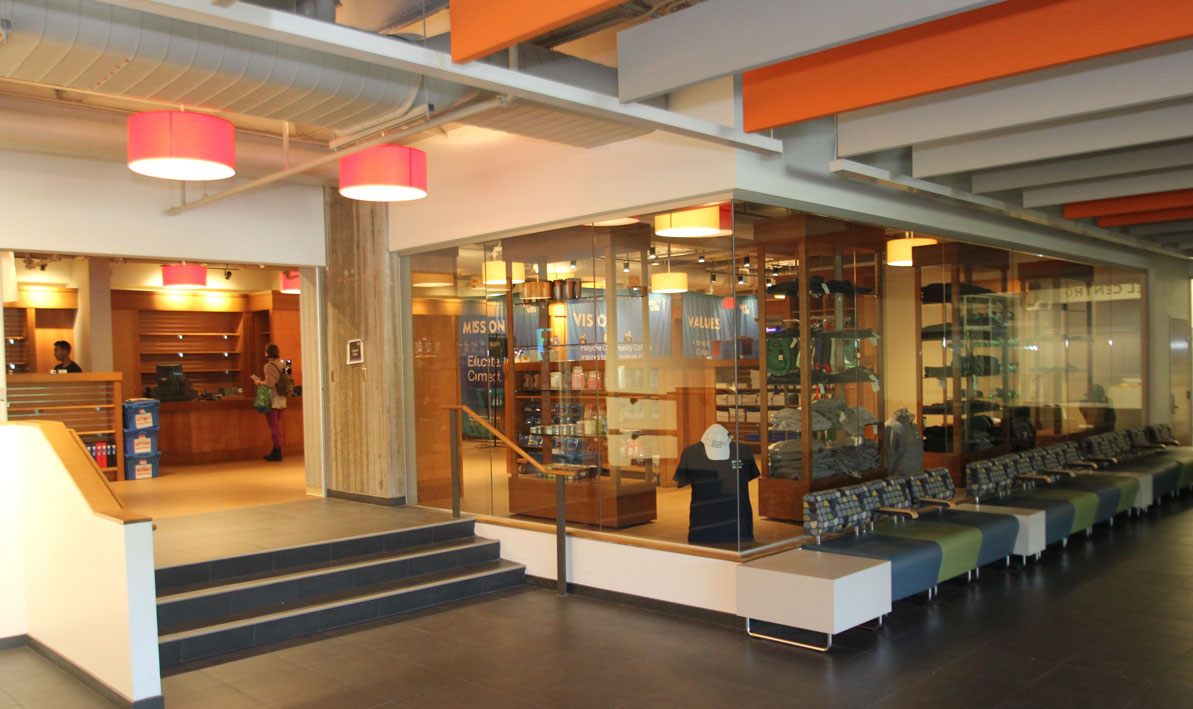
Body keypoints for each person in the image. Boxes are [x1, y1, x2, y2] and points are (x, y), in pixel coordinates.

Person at [251, 343, 287, 462]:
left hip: (272, 398)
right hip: (282, 398)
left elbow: (270, 384)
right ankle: (276, 450)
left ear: (267, 353)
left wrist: (259, 382)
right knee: (276, 425)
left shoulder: (269, 366)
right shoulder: (282, 364)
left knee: (274, 426)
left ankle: (277, 451)